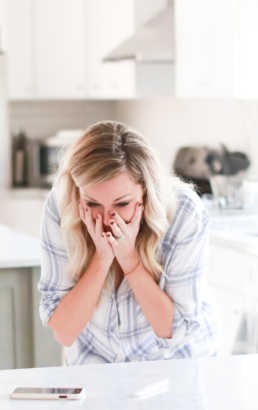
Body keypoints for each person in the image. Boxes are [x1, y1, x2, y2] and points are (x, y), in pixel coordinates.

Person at [38, 120, 219, 365]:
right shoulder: (63, 206)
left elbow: (175, 332)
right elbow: (64, 331)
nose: (105, 219)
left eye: (122, 204)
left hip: (174, 365)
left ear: (146, 192)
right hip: (96, 365)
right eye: (92, 204)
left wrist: (129, 259)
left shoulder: (184, 212)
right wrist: (102, 259)